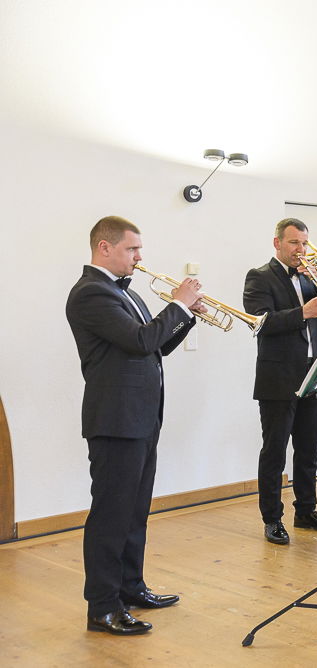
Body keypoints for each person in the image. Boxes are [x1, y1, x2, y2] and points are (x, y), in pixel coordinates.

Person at [66, 216, 204, 635]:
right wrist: (178, 304)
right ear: (104, 247)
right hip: (116, 420)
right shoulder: (91, 293)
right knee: (111, 516)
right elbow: (141, 340)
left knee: (135, 511)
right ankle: (103, 607)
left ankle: (131, 587)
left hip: (141, 417)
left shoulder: (127, 292)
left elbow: (154, 347)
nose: (140, 257)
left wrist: (186, 315)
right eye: (132, 249)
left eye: (139, 249)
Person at [244, 218, 317, 545]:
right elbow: (259, 322)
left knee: (308, 449)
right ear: (277, 243)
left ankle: (306, 511)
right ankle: (272, 518)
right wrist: (303, 312)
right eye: (293, 243)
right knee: (275, 452)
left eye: (304, 243)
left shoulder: (309, 277)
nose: (300, 249)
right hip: (278, 377)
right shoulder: (259, 277)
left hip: (313, 373)